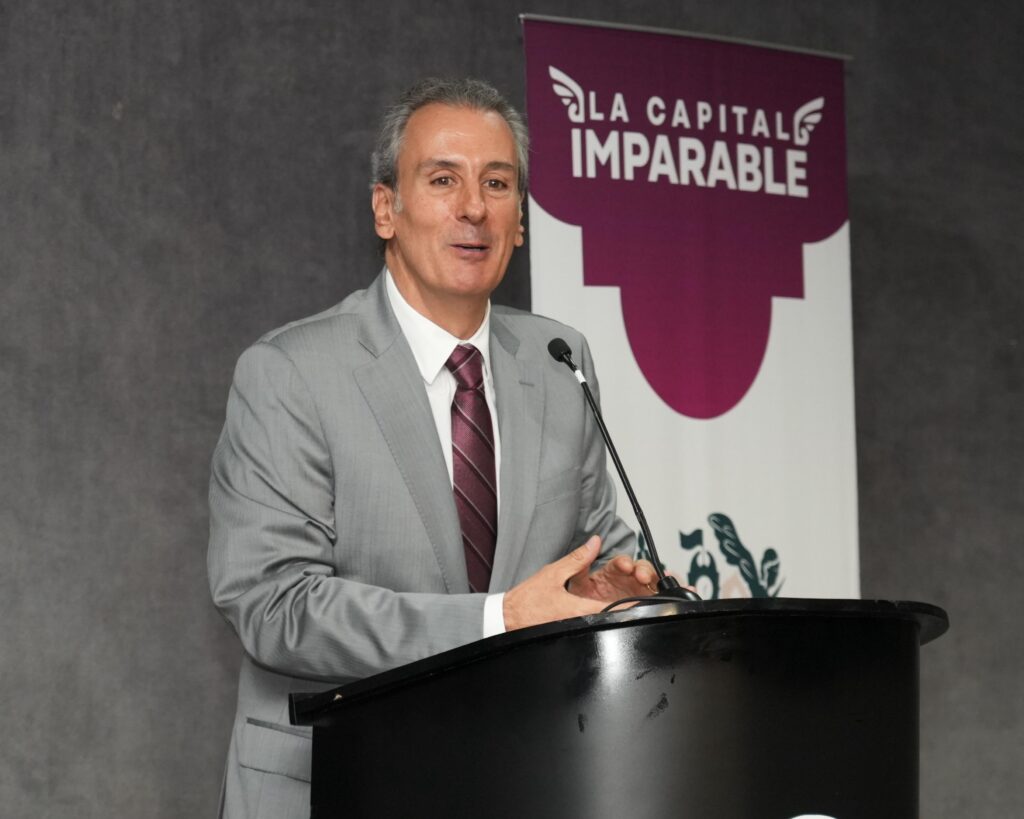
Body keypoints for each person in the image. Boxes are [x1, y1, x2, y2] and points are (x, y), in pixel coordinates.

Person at [208, 77, 659, 819]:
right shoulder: (291, 372)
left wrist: (614, 589)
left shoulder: (559, 360)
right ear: (386, 209)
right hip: (336, 785)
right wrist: (496, 620)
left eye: (498, 183)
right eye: (443, 179)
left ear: (520, 221)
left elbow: (595, 543)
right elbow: (273, 604)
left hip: (520, 781)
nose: (474, 207)